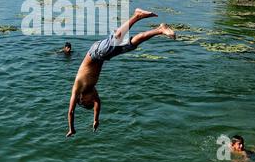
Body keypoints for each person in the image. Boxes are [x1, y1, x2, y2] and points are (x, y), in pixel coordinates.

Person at [66, 8, 176, 137]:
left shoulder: (77, 89)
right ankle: (160, 29)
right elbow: (98, 103)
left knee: (117, 37)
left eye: (89, 102)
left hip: (96, 52)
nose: (93, 99)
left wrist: (71, 128)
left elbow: (71, 112)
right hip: (103, 56)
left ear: (82, 100)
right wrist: (96, 119)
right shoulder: (91, 90)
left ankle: (137, 16)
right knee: (132, 43)